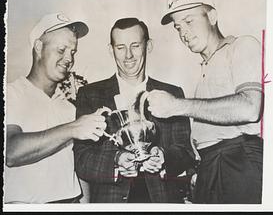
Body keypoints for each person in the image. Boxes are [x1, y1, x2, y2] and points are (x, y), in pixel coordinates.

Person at [146, 0, 264, 204]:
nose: (183, 33)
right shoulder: (202, 75)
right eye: (178, 27)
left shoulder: (242, 46)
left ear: (212, 16)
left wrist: (176, 106)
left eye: (189, 21)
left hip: (238, 161)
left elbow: (250, 108)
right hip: (210, 169)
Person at [73, 17, 195, 203]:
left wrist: (164, 157)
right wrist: (115, 160)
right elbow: (81, 159)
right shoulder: (89, 95)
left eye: (135, 45)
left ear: (149, 46)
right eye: (120, 47)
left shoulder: (172, 93)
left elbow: (186, 153)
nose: (128, 55)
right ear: (111, 50)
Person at [5, 13, 108, 204]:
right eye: (62, 50)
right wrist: (73, 128)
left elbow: (78, 169)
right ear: (38, 47)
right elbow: (11, 151)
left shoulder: (69, 107)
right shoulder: (11, 94)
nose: (69, 58)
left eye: (73, 52)